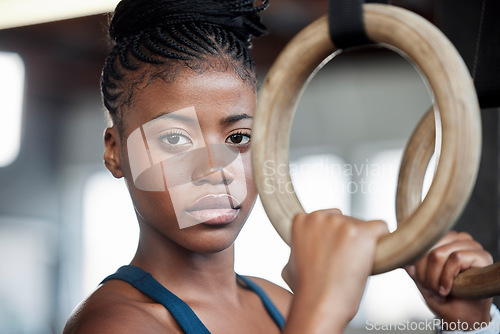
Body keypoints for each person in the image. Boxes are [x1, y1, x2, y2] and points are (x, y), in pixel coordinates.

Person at [63, 0, 498, 333]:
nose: (216, 169)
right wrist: (322, 308)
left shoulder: (283, 304)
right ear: (115, 151)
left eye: (238, 138)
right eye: (175, 139)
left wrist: (466, 324)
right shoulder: (116, 323)